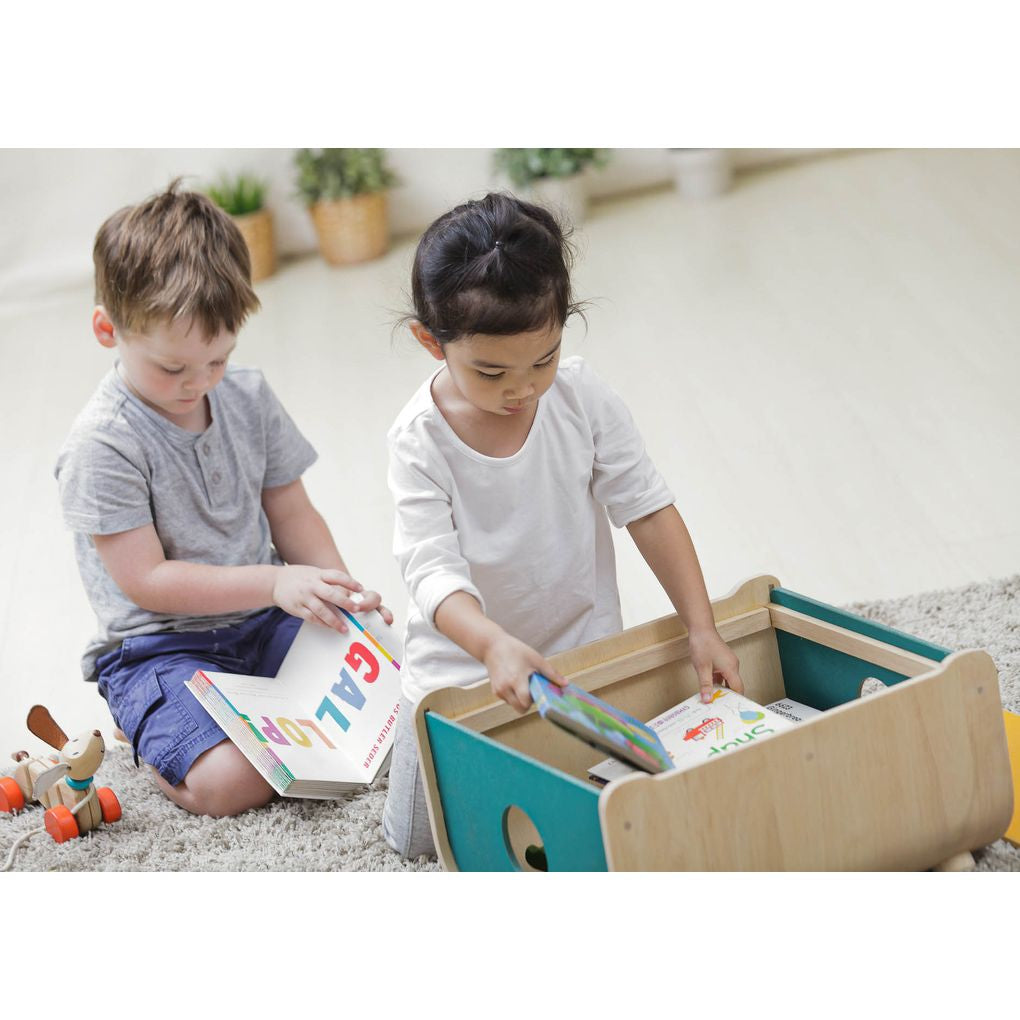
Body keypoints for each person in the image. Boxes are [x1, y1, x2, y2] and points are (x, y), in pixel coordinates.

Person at [382, 192, 744, 858]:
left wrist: (702, 627)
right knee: (421, 842)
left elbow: (648, 507)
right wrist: (492, 647)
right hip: (459, 676)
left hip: (579, 667)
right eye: (491, 371)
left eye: (542, 360)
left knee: (597, 818)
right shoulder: (418, 442)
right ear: (430, 342)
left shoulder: (581, 398)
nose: (522, 389)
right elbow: (431, 572)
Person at [55, 181, 391, 818]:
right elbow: (148, 582)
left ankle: (250, 704)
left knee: (389, 694)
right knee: (237, 782)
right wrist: (275, 582)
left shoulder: (246, 395)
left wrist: (336, 592)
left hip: (262, 623)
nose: (198, 383)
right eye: (172, 368)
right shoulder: (102, 445)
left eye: (217, 359)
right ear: (108, 329)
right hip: (159, 648)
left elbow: (292, 513)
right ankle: (154, 744)